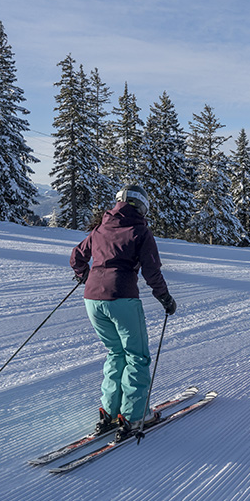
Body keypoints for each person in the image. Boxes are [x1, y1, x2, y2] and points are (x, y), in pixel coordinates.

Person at [70, 183, 178, 441]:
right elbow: (152, 271)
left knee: (115, 352)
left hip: (92, 300)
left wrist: (85, 276)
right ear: (141, 206)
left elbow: (76, 257)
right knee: (136, 356)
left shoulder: (100, 228)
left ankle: (110, 412)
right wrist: (165, 298)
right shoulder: (140, 231)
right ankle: (134, 415)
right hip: (122, 299)